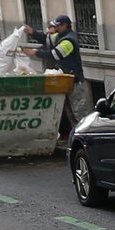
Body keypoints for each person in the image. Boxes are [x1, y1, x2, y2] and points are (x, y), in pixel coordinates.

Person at [35, 13, 91, 143]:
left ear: (65, 25)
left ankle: (85, 140)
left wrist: (35, 52)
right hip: (67, 79)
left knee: (79, 112)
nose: (56, 28)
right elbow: (46, 39)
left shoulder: (68, 40)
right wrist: (31, 32)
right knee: (71, 112)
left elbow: (55, 55)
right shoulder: (60, 36)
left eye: (58, 26)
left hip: (75, 81)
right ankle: (77, 140)